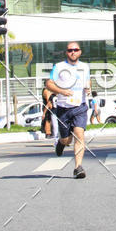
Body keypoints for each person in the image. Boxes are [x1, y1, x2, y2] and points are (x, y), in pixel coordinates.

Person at [45, 43, 90, 179]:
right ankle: (61, 142)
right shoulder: (59, 67)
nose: (73, 52)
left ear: (80, 52)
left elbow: (87, 81)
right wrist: (62, 91)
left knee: (79, 134)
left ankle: (78, 167)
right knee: (67, 140)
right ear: (66, 52)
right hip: (63, 109)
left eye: (75, 50)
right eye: (70, 50)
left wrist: (87, 88)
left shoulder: (85, 67)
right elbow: (49, 83)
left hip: (80, 107)